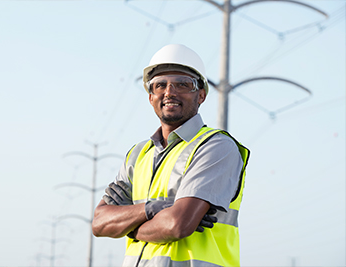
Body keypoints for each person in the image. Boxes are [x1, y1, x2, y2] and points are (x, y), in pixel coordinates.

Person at [92, 44, 250, 267]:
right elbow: (99, 223)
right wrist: (153, 208)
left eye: (182, 84)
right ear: (150, 97)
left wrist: (128, 227)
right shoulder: (137, 155)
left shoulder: (216, 147)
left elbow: (177, 224)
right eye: (160, 85)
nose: (169, 92)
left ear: (201, 95)